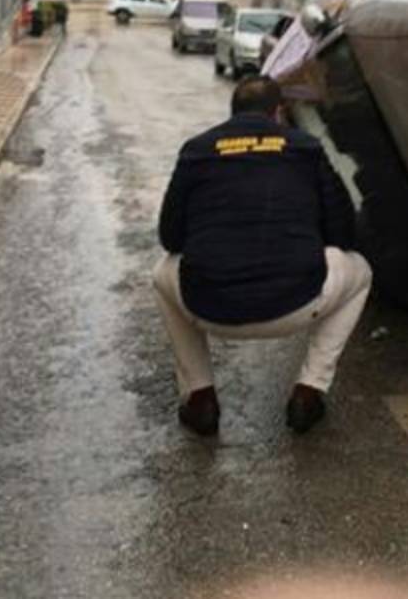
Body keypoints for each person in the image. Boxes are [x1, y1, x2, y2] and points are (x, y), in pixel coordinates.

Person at [153, 76, 372, 436]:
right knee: (361, 272)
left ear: (232, 112)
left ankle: (200, 397)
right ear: (279, 113)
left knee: (161, 275)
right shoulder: (306, 148)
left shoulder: (197, 150)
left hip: (208, 305)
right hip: (298, 302)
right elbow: (344, 232)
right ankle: (310, 390)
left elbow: (170, 238)